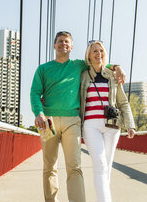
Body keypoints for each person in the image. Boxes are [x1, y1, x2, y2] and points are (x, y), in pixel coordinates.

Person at [30, 31, 125, 202]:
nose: (63, 44)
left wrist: (117, 67)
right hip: (48, 121)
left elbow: (99, 62)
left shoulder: (78, 65)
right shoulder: (43, 69)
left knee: (74, 166)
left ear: (72, 47)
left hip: (72, 121)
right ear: (54, 45)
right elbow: (35, 93)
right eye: (60, 41)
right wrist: (39, 113)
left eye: (67, 42)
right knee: (49, 167)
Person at [80, 40, 136, 202]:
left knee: (106, 167)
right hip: (91, 126)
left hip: (112, 126)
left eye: (101, 51)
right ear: (89, 56)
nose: (98, 54)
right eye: (95, 51)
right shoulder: (83, 75)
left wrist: (130, 125)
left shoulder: (112, 76)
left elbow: (123, 102)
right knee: (100, 165)